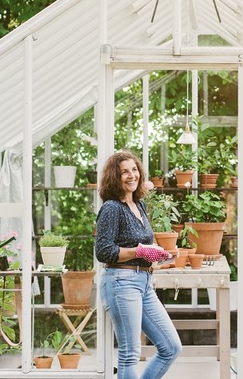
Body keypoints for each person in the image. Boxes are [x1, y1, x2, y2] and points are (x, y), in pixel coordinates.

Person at [95, 151, 182, 378]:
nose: (131, 175)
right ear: (115, 177)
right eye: (124, 171)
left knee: (171, 347)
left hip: (144, 282)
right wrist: (140, 251)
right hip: (121, 282)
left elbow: (143, 245)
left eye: (134, 170)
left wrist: (160, 255)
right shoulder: (112, 208)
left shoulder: (139, 205)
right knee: (130, 353)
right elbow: (103, 252)